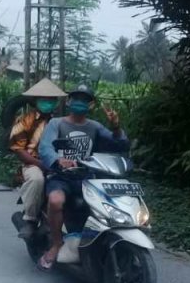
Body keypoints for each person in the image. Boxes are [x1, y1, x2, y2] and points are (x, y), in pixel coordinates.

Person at [37, 84, 130, 270]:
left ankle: (97, 242)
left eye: (84, 100)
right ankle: (56, 245)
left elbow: (120, 145)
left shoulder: (95, 127)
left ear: (91, 104)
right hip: (61, 176)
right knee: (55, 201)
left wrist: (116, 127)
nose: (80, 102)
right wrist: (58, 160)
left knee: (106, 206)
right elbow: (45, 147)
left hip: (87, 178)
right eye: (76, 98)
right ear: (69, 101)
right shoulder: (57, 123)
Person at [9, 78, 67, 239]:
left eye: (51, 99)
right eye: (44, 99)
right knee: (37, 180)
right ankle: (30, 220)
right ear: (36, 101)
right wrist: (41, 164)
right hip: (32, 163)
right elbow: (19, 150)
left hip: (60, 163)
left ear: (56, 102)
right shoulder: (24, 121)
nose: (48, 102)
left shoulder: (62, 122)